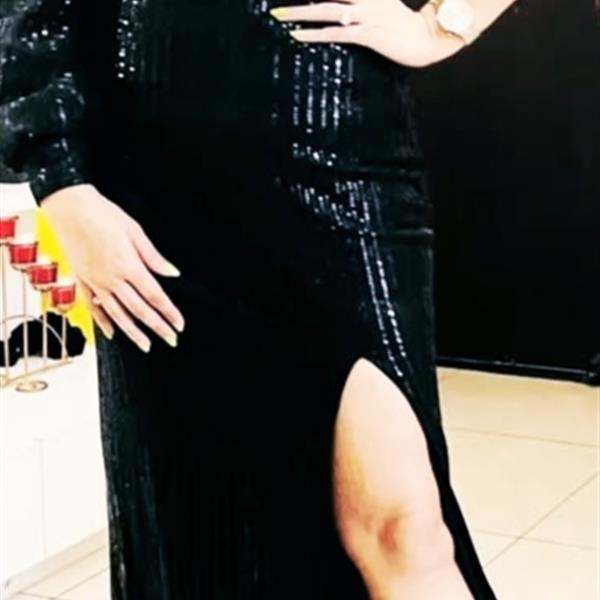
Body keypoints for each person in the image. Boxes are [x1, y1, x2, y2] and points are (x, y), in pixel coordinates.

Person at [0, 0, 520, 598]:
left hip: (345, 160)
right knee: (206, 533)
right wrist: (63, 185)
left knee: (406, 530)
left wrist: (439, 27)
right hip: (155, 190)